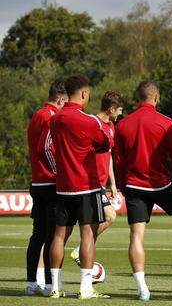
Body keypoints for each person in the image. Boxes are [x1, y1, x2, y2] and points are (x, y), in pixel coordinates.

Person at [113, 81, 172, 301]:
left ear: (137, 99)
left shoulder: (122, 125)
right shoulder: (167, 123)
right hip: (160, 185)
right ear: (157, 98)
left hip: (134, 186)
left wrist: (123, 186)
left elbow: (118, 161)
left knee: (136, 236)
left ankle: (142, 289)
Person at [48, 75, 112, 299]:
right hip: (87, 186)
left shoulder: (55, 119)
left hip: (63, 187)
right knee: (88, 235)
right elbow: (105, 144)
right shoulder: (89, 121)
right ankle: (85, 288)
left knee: (58, 236)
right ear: (84, 93)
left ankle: (55, 287)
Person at [70, 91, 124, 267]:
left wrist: (113, 182)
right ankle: (81, 251)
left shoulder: (111, 127)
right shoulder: (92, 124)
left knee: (105, 218)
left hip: (101, 183)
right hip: (89, 183)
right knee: (109, 216)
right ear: (111, 109)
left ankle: (82, 251)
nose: (121, 114)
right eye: (119, 110)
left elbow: (108, 155)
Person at [26, 80, 67, 296]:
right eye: (65, 103)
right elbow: (46, 148)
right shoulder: (51, 116)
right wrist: (59, 172)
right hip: (50, 183)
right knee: (52, 235)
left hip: (37, 181)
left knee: (38, 234)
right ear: (60, 99)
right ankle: (52, 286)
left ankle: (32, 283)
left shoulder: (37, 114)